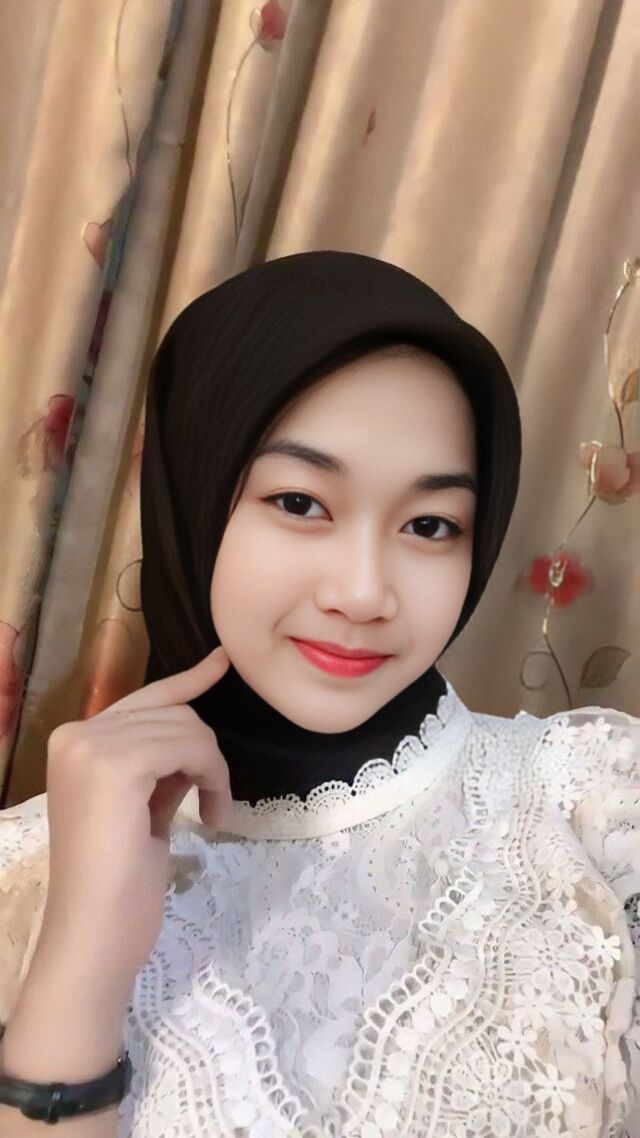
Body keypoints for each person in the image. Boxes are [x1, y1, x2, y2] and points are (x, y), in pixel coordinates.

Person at [0, 250, 638, 1137]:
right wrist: (78, 966)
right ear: (194, 500)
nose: (364, 593)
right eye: (300, 503)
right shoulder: (20, 873)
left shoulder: (598, 804)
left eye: (430, 524)